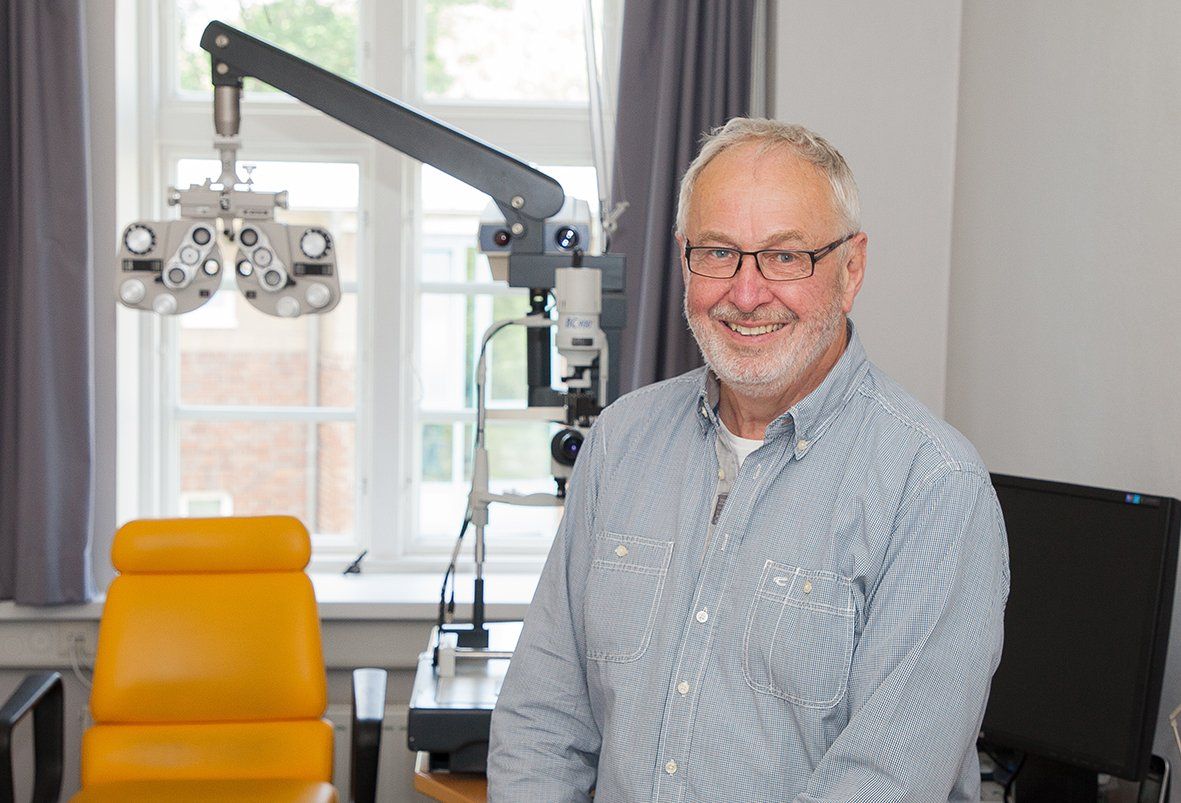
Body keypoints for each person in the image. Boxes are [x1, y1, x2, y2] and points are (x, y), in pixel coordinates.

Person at [487, 117, 1009, 802]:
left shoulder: (933, 486)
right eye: (719, 252)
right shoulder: (621, 443)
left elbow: (885, 782)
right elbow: (542, 721)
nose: (745, 292)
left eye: (785, 256)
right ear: (685, 260)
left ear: (850, 269)